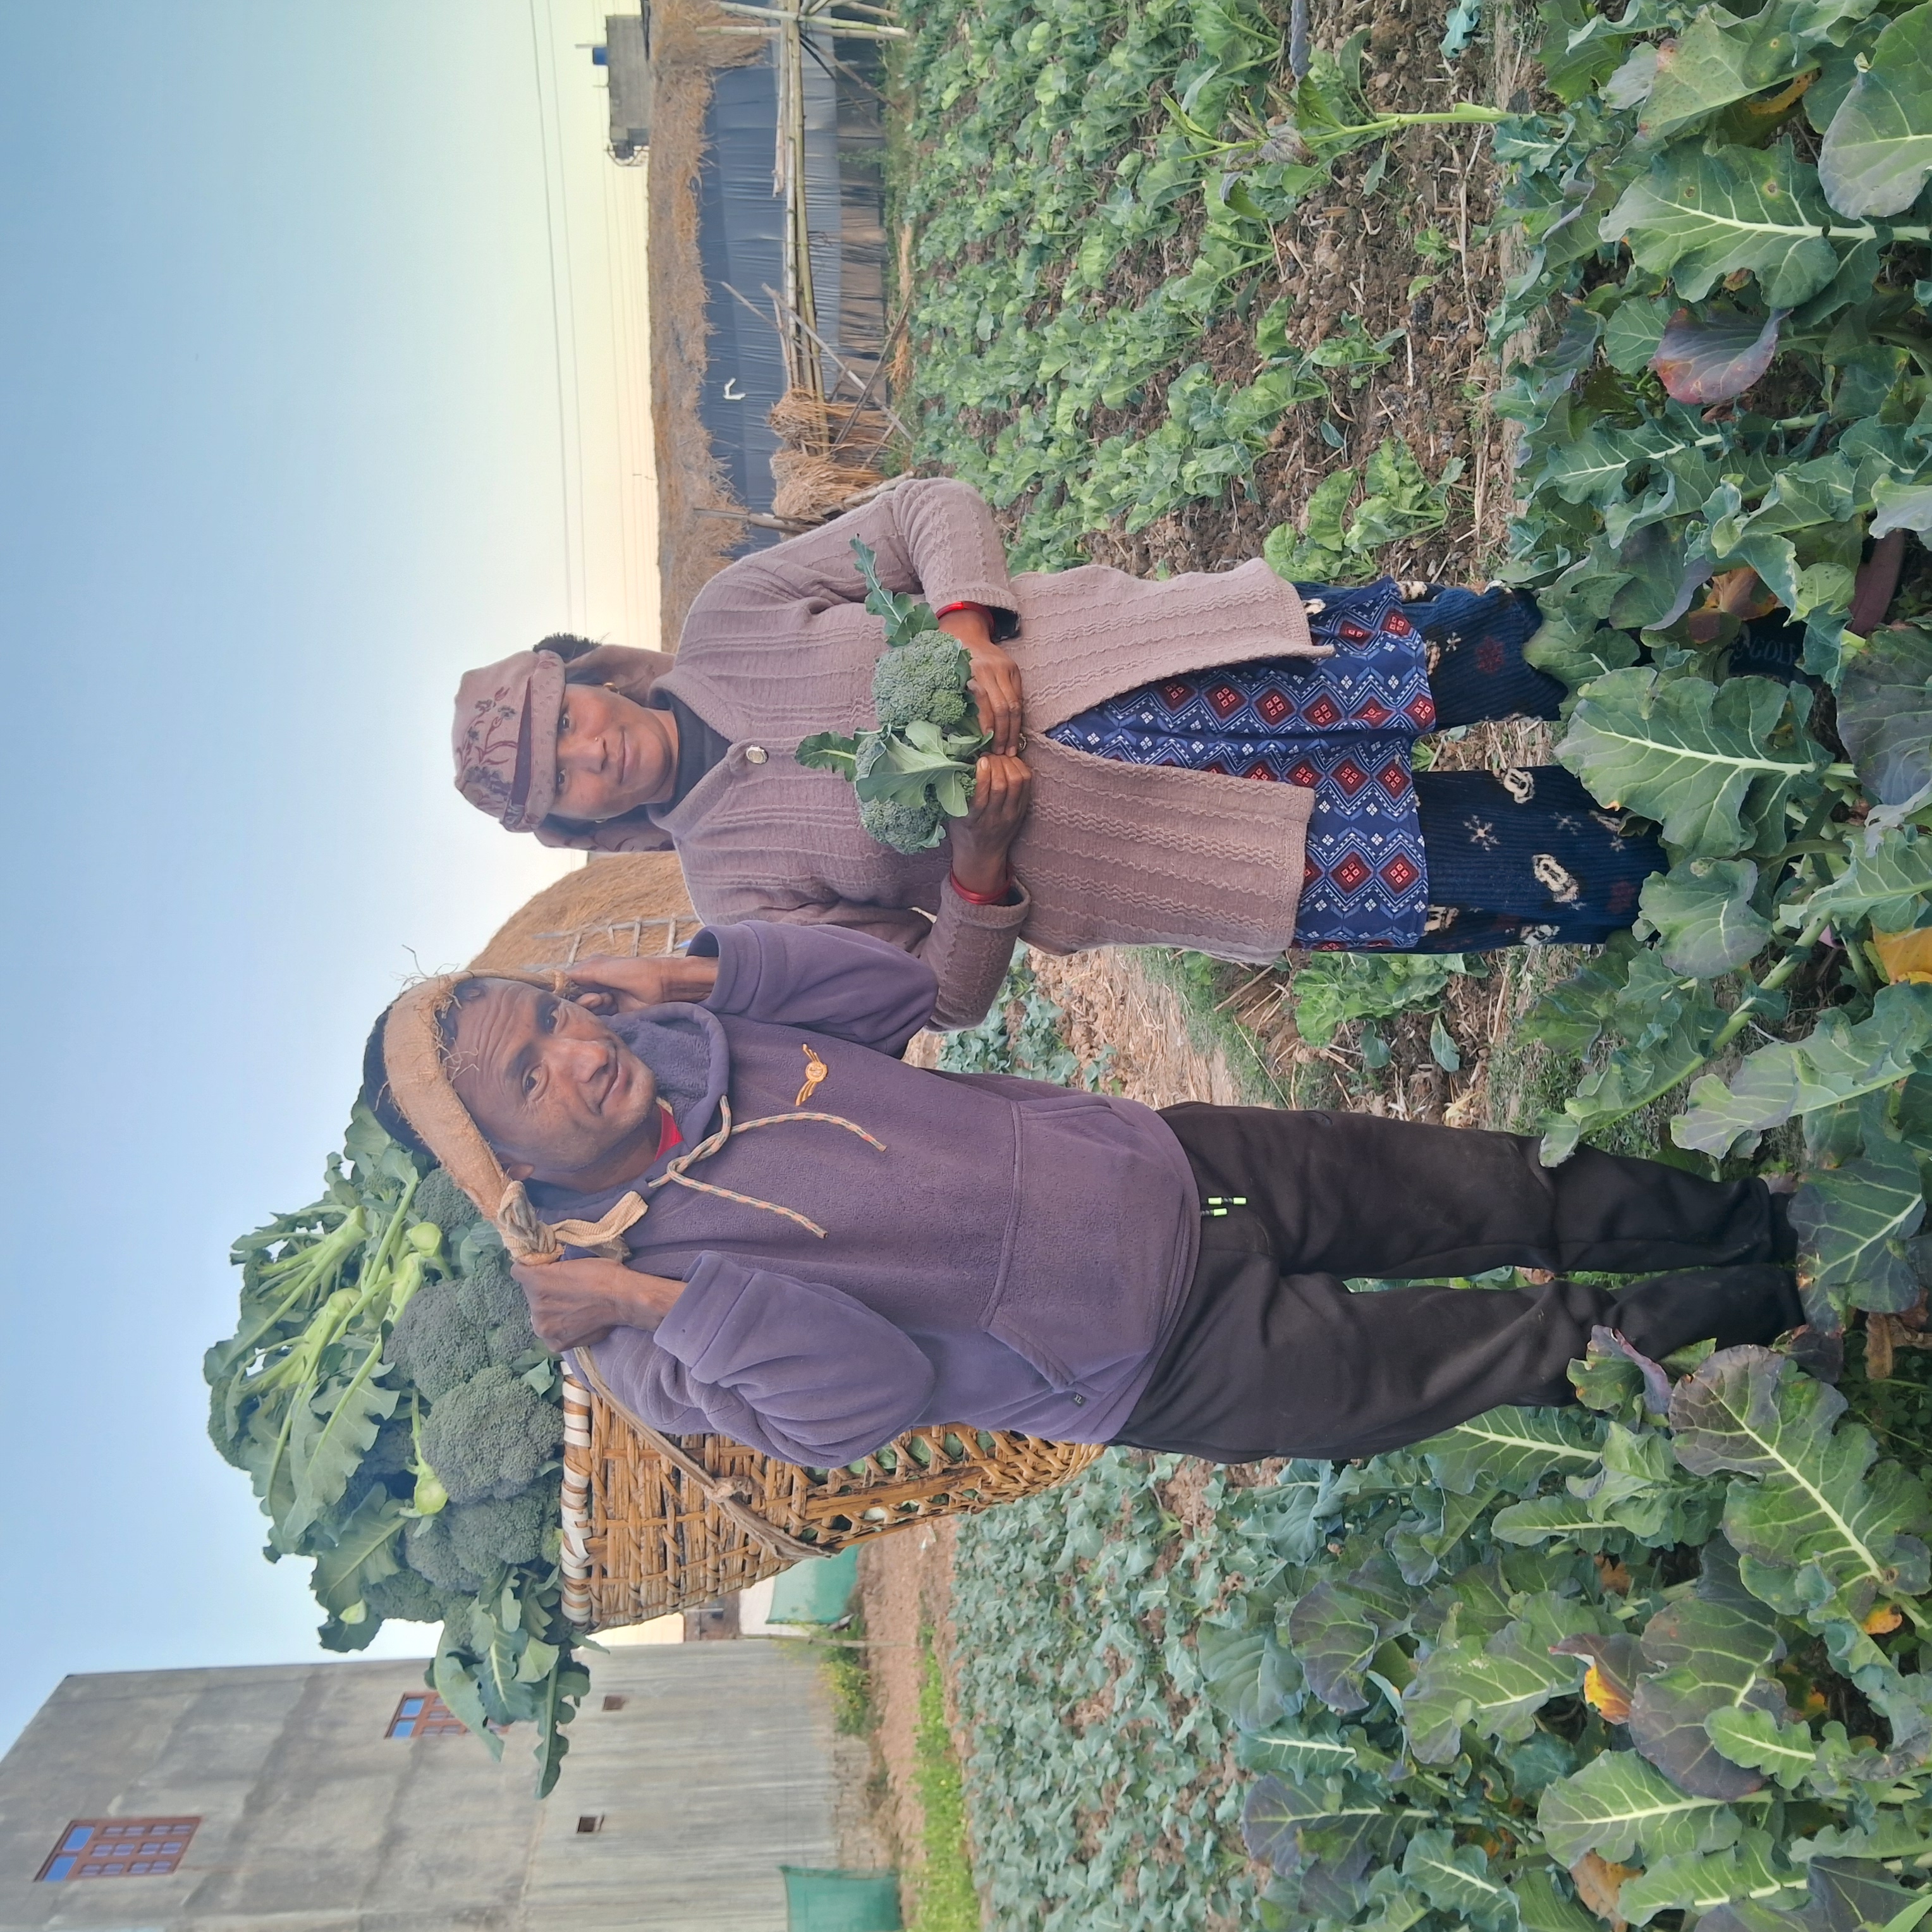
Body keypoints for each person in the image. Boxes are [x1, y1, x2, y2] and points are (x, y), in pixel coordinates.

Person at [363, 920, 1802, 1466]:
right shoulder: (630, 1343)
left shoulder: (703, 1040)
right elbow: (859, 1398)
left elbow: (900, 992)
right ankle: (1787, 1299)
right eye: (523, 1075)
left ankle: (1774, 1227)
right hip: (1163, 1365)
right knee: (1524, 1358)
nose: (575, 1052)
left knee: (1498, 1189)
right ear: (498, 1162)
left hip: (1185, 1168)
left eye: (548, 1015)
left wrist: (700, 973)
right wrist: (652, 1296)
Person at [447, 478, 1664, 1030]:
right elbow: (936, 997)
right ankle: (1743, 828)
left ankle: (1733, 639)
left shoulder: (732, 616)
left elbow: (930, 507)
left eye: (566, 720)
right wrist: (981, 858)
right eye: (561, 779)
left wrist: (973, 638)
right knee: (1509, 871)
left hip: (1185, 662)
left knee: (1491, 649)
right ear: (572, 824)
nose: (587, 753)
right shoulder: (732, 888)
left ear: (585, 679)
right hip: (1170, 857)